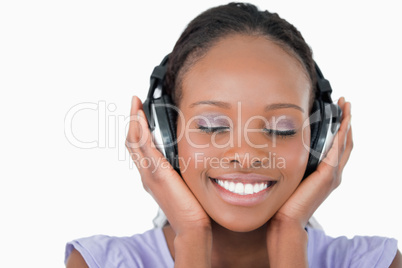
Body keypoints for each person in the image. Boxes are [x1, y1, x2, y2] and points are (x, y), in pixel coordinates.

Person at [65, 2, 401, 267]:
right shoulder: (97, 263)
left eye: (280, 128)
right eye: (212, 126)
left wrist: (289, 236)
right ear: (163, 133)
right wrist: (191, 237)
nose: (247, 153)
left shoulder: (373, 262)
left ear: (318, 140)